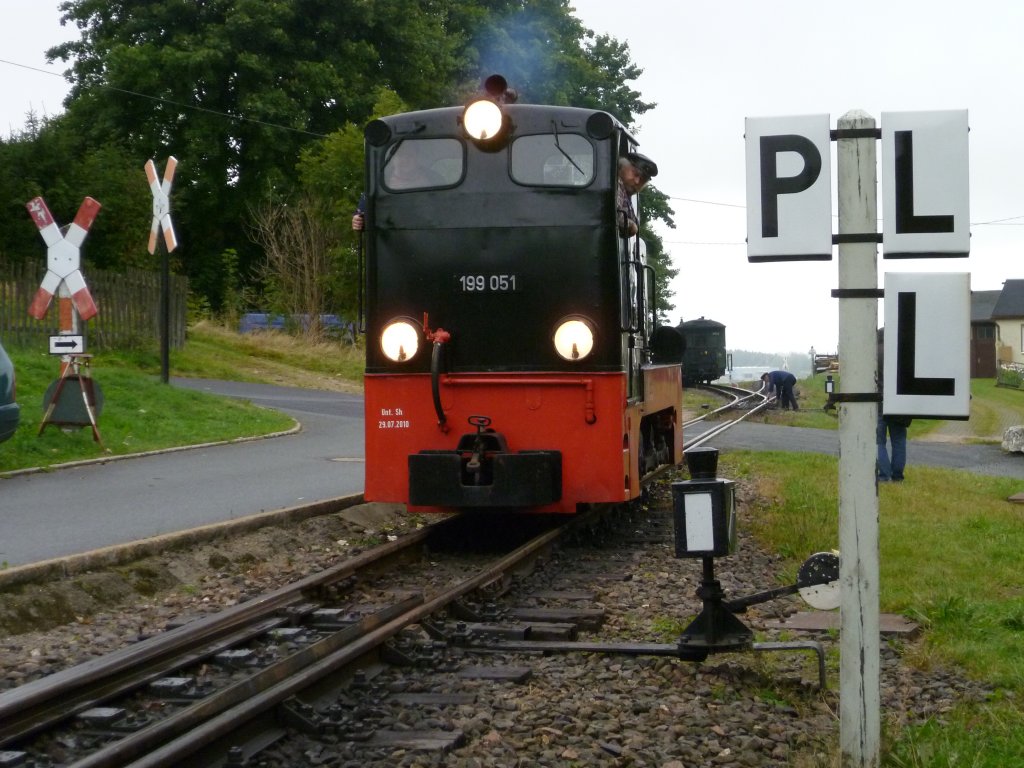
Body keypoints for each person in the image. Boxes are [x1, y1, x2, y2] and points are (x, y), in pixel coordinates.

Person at [877, 329, 911, 481]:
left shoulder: (873, 352)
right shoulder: (902, 351)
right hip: (899, 401)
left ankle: (884, 475)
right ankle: (898, 475)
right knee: (898, 440)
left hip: (878, 399)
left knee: (879, 440)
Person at [617, 152, 658, 237]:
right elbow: (615, 218)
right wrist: (632, 226)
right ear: (622, 166)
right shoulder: (617, 185)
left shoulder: (626, 194)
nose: (637, 181)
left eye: (642, 180)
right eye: (635, 174)